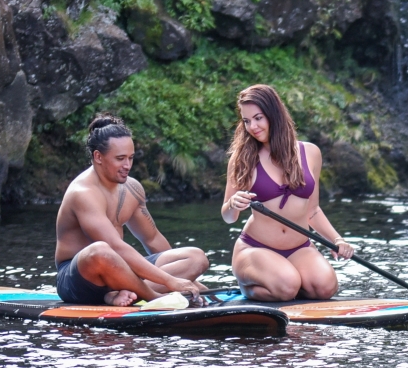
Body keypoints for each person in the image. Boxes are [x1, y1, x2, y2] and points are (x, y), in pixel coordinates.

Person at [53, 115, 210, 306]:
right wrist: (169, 281)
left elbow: (152, 240)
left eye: (131, 158)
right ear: (98, 157)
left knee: (196, 257)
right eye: (120, 159)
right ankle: (156, 297)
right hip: (79, 279)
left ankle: (123, 293)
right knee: (100, 250)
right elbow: (114, 246)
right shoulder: (83, 193)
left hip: (120, 271)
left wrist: (187, 279)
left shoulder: (132, 189)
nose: (127, 166)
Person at [220, 83, 354, 301]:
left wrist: (337, 240)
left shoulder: (310, 153)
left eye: (258, 118)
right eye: (246, 121)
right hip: (255, 249)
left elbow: (312, 210)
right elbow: (228, 217)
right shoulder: (242, 159)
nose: (252, 126)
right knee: (287, 285)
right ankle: (251, 287)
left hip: (299, 247)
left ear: (274, 115)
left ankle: (286, 280)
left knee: (325, 288)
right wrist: (233, 204)